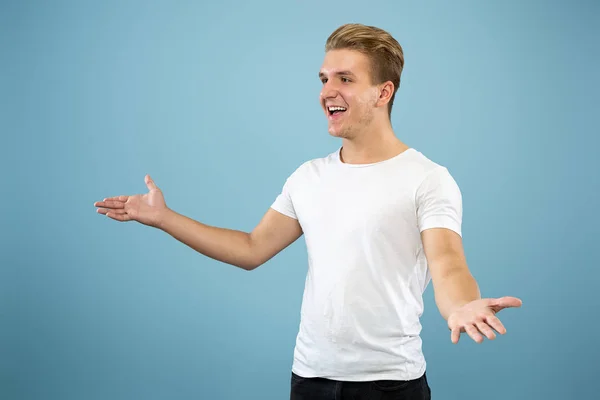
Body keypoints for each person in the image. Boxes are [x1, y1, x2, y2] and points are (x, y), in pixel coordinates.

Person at [94, 23, 522, 400]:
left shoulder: (427, 178)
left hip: (390, 385)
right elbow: (250, 248)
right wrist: (164, 217)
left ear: (383, 92)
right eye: (323, 79)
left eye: (345, 79)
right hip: (310, 379)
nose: (327, 92)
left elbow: (448, 264)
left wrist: (462, 305)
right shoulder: (308, 177)